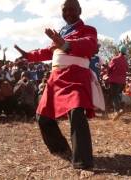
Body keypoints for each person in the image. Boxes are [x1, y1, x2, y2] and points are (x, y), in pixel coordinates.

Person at [14, 0, 104, 171]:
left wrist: (65, 44)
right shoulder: (61, 31)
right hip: (56, 78)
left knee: (77, 112)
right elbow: (49, 51)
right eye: (65, 9)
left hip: (76, 76)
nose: (68, 12)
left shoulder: (89, 30)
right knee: (43, 116)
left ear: (80, 10)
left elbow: (90, 45)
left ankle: (83, 162)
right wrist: (28, 55)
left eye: (72, 9)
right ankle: (60, 148)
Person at [107, 45, 128, 120]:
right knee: (118, 95)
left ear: (119, 51)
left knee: (114, 96)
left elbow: (109, 69)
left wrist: (107, 74)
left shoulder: (115, 59)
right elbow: (126, 70)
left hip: (114, 80)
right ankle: (118, 110)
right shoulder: (125, 61)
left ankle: (118, 110)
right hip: (122, 82)